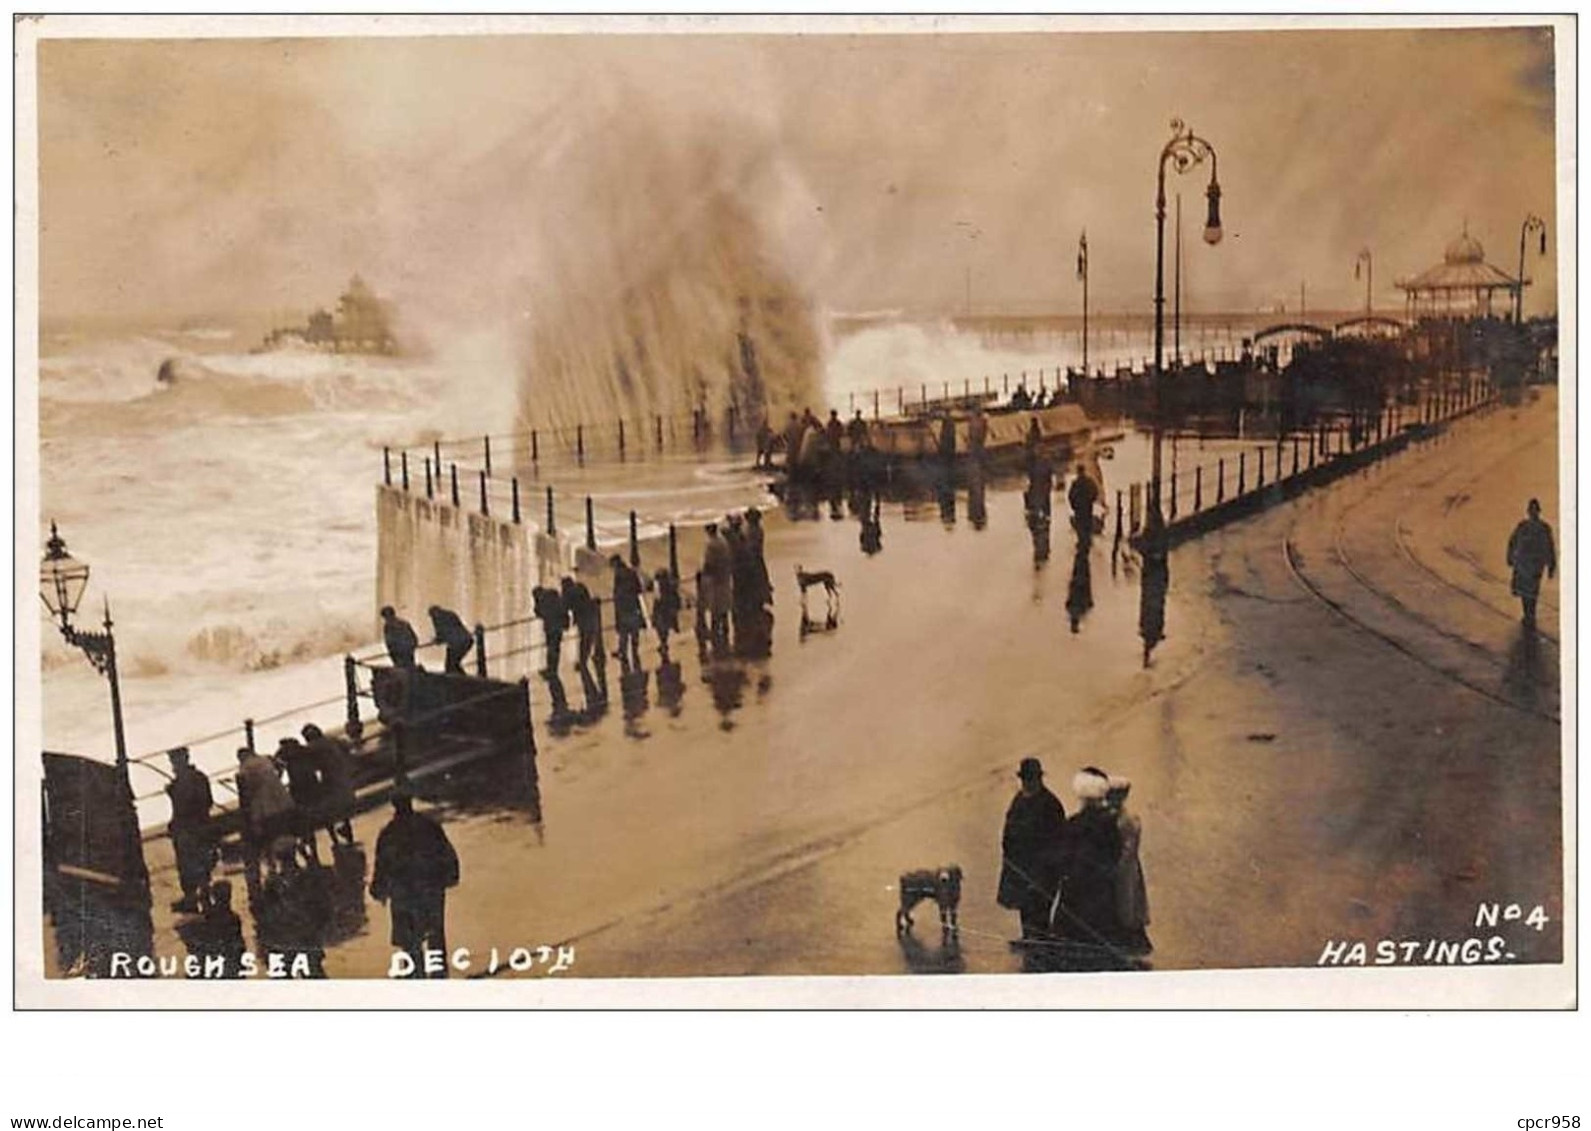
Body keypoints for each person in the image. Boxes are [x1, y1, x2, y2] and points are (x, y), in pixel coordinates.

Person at [370, 788, 460, 979]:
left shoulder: (389, 833)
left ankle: (416, 979)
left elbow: (381, 866)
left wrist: (378, 889)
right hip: (430, 890)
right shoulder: (428, 826)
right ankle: (439, 977)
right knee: (435, 935)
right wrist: (450, 876)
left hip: (403, 895)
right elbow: (447, 854)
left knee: (411, 942)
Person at [996, 757, 1069, 945]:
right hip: (1020, 864)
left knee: (1040, 903)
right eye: (1026, 779)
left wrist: (1048, 865)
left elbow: (1059, 838)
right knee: (1024, 904)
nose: (1028, 783)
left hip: (1043, 867)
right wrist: (1009, 854)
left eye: (1032, 779)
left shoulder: (1050, 804)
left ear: (1039, 779)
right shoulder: (1019, 800)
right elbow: (1009, 829)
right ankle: (1028, 936)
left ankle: (1040, 939)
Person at [1056, 768, 1123, 963]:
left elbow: (1064, 859)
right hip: (1102, 894)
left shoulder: (1074, 824)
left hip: (1076, 895)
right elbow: (1114, 854)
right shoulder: (1109, 824)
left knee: (1072, 944)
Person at [235, 745, 296, 900]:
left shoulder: (244, 769)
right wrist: (279, 778)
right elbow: (281, 764)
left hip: (265, 806)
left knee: (268, 836)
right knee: (284, 832)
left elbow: (246, 795)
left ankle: (274, 869)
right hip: (282, 799)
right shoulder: (265, 759)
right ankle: (288, 864)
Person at [164, 747, 215, 913]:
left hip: (187, 829)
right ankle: (204, 893)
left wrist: (172, 793)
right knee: (202, 861)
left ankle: (191, 898)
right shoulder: (200, 777)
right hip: (202, 826)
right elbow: (208, 801)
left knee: (186, 864)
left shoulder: (180, 783)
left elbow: (182, 808)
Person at [1106, 776, 1151, 953]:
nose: (1111, 800)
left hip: (1126, 869)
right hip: (1118, 866)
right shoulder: (1112, 816)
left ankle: (1132, 940)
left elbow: (1129, 849)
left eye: (1116, 796)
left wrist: (1116, 866)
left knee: (1127, 902)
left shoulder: (1129, 820)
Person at [302, 724, 355, 848]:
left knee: (327, 812)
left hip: (328, 780)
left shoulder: (311, 748)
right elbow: (347, 745)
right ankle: (347, 832)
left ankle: (335, 839)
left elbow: (311, 767)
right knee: (343, 809)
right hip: (342, 775)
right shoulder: (331, 740)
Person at [1506, 498, 1557, 629]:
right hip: (1525, 564)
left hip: (1534, 566)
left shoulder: (1542, 528)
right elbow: (1513, 542)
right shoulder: (1524, 527)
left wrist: (1551, 565)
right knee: (1526, 591)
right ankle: (1528, 614)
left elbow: (1549, 547)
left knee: (1531, 591)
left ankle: (1530, 614)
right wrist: (1510, 557)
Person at [274, 736, 323, 864]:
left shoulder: (284, 753)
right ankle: (313, 852)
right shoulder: (303, 750)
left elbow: (278, 770)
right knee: (310, 822)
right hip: (312, 787)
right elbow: (317, 765)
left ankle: (306, 851)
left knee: (300, 822)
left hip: (299, 790)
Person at [699, 522, 734, 650]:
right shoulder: (723, 542)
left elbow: (708, 563)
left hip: (716, 580)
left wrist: (703, 573)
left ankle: (715, 632)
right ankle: (725, 629)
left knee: (715, 607)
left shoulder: (710, 545)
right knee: (724, 606)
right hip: (725, 576)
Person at [609, 554, 647, 668]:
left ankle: (623, 651)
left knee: (624, 631)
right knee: (634, 630)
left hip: (623, 606)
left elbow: (617, 593)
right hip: (633, 605)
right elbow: (639, 588)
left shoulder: (618, 575)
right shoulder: (631, 572)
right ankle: (634, 651)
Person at [427, 604, 474, 675]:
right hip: (467, 640)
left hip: (457, 643)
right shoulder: (450, 614)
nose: (432, 618)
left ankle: (460, 680)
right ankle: (463, 678)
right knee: (454, 663)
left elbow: (441, 635)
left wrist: (437, 640)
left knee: (450, 665)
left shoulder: (438, 619)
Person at [532, 584, 566, 675]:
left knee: (551, 648)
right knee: (556, 648)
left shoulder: (542, 599)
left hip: (550, 627)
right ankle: (554, 668)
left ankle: (551, 669)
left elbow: (538, 612)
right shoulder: (554, 594)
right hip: (558, 626)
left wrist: (536, 602)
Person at [651, 569, 682, 658]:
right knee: (663, 628)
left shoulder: (662, 588)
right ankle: (663, 643)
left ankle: (663, 644)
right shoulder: (669, 587)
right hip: (665, 611)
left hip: (662, 611)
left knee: (661, 628)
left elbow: (658, 599)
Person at [1068, 463, 1101, 541]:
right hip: (1087, 505)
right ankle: (1087, 538)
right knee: (1087, 522)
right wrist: (1092, 500)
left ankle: (1081, 539)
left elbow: (1071, 495)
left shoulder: (1075, 482)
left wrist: (1073, 504)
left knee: (1080, 524)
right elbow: (1095, 491)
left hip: (1078, 506)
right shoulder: (1089, 481)